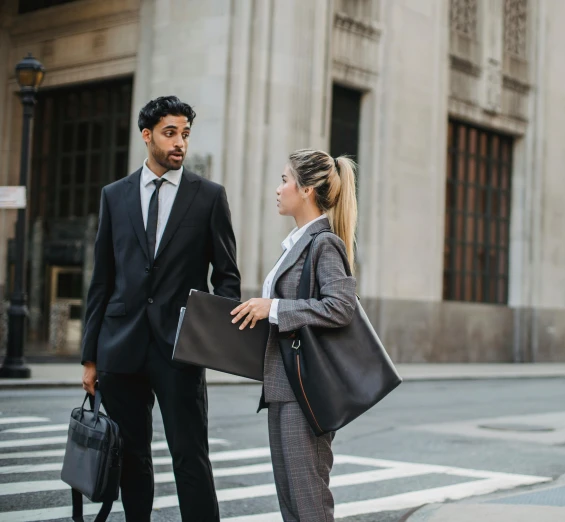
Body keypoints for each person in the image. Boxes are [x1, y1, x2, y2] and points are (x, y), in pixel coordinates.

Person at [81, 95, 241, 522]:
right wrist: (90, 356)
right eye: (170, 133)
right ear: (147, 136)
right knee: (132, 458)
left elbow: (226, 275)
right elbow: (102, 279)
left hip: (180, 349)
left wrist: (213, 338)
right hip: (121, 346)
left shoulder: (208, 197)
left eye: (185, 134)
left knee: (191, 456)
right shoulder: (114, 196)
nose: (180, 144)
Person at [230, 149, 358, 522]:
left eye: (285, 180)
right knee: (291, 501)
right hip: (283, 385)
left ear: (306, 190)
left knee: (309, 501)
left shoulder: (324, 243)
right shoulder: (297, 243)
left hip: (306, 391)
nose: (278, 188)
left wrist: (272, 307)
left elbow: (341, 307)